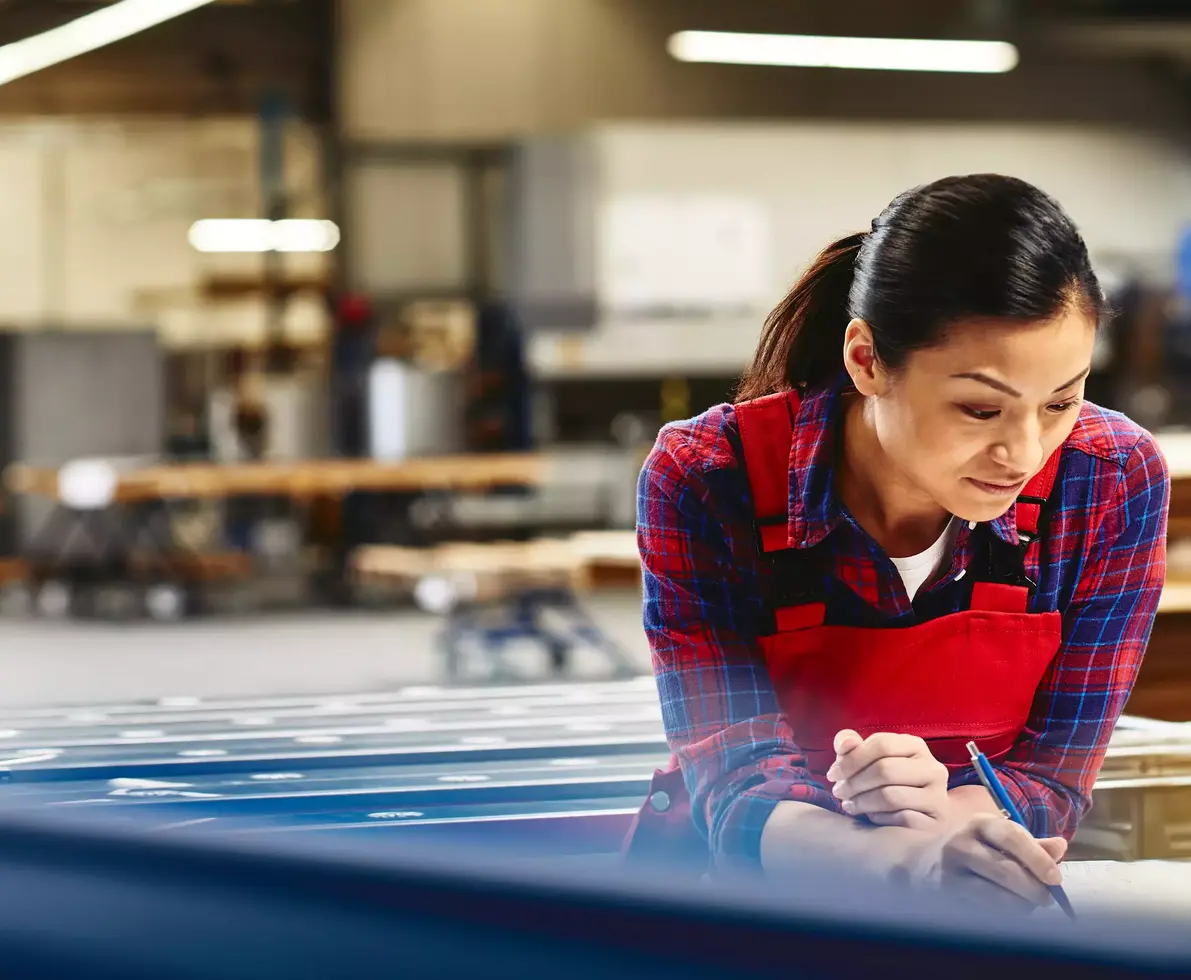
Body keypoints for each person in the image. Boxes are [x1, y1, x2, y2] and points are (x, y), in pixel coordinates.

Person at [623, 174, 1169, 911]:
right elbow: (735, 777)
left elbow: (1050, 775)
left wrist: (945, 825)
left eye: (1060, 401)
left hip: (969, 895)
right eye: (980, 408)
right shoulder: (706, 478)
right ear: (866, 360)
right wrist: (906, 865)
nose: (1025, 451)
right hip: (745, 906)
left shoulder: (1107, 481)